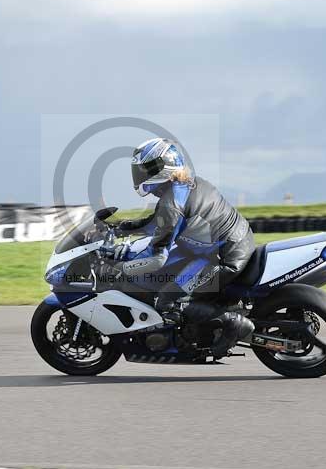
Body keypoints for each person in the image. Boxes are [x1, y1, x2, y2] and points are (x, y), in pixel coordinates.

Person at [99, 137, 256, 357]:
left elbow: (156, 259)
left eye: (144, 170)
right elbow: (157, 224)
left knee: (168, 299)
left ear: (161, 169)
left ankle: (232, 324)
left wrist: (120, 268)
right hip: (231, 243)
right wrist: (120, 227)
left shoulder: (171, 203)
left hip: (223, 258)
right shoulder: (184, 185)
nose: (140, 175)